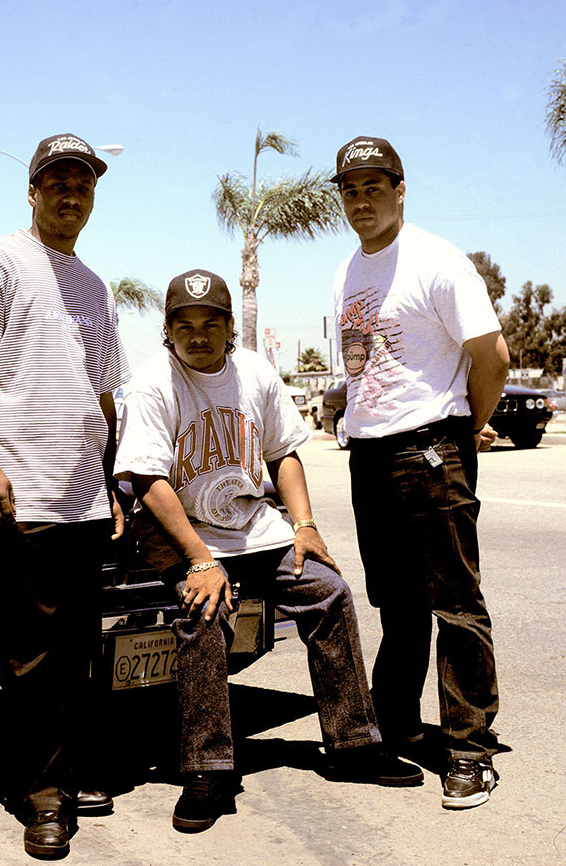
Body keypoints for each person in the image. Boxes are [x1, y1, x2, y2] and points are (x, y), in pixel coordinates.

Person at [114, 270, 423, 833]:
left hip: (256, 526)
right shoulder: (152, 385)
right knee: (202, 612)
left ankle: (353, 742)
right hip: (188, 533)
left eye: (212, 324)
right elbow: (151, 481)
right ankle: (207, 767)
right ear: (167, 330)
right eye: (185, 325)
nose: (199, 335)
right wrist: (200, 560)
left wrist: (303, 523)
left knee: (329, 593)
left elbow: (283, 455)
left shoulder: (254, 372)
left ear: (230, 327)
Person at [0, 134, 129, 859]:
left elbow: (105, 395)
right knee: (28, 656)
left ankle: (64, 771)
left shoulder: (95, 284)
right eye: (57, 179)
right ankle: (42, 796)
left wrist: (114, 481)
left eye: (82, 180)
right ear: (32, 190)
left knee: (79, 648)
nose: (70, 190)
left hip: (84, 495)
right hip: (21, 493)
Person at [331, 136, 510, 809]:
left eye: (374, 186)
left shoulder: (437, 261)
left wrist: (463, 426)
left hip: (431, 449)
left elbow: (491, 352)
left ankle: (469, 749)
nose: (361, 199)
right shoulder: (349, 268)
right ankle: (398, 722)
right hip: (370, 452)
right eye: (350, 189)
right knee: (397, 605)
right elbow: (359, 362)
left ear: (401, 190)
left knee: (455, 603)